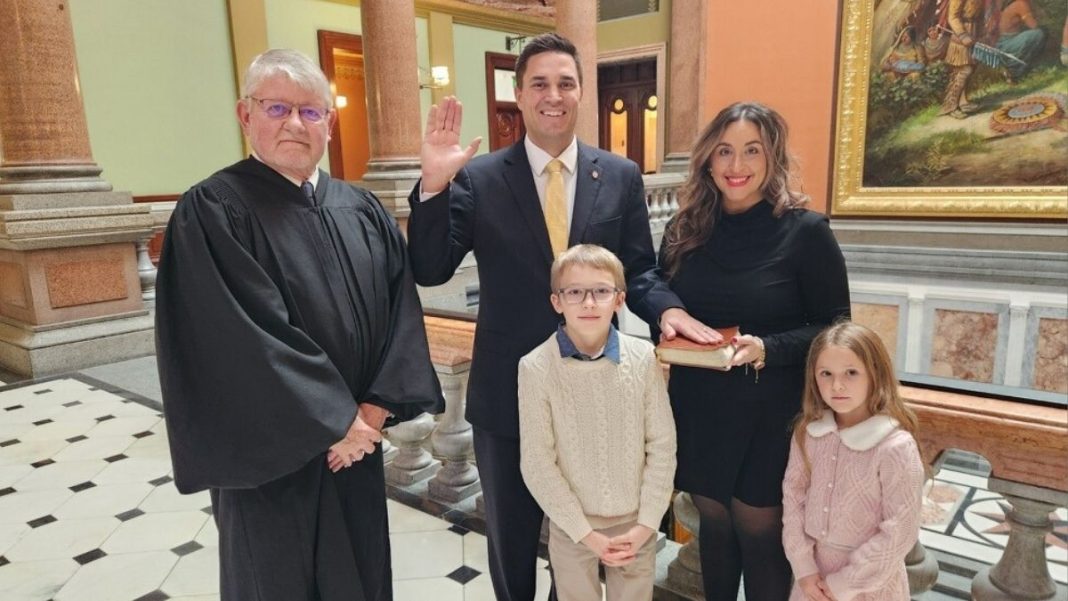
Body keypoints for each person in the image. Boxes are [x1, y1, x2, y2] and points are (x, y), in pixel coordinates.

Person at [406, 32, 715, 601]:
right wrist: (433, 184)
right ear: (519, 95)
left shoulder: (619, 175)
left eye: (566, 83)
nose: (554, 95)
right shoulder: (478, 177)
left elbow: (638, 272)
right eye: (540, 84)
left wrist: (669, 312)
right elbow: (429, 268)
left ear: (581, 94)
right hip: (508, 392)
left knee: (586, 543)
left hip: (598, 399)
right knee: (512, 541)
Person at [155, 48, 444, 601]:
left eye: (311, 112)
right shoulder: (214, 211)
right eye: (276, 108)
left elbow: (401, 313)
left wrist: (373, 411)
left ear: (329, 125)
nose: (295, 123)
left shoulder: (361, 208)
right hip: (271, 459)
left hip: (356, 447)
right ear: (245, 116)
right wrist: (336, 420)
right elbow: (237, 338)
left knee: (359, 577)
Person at [657, 101, 851, 600]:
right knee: (714, 528)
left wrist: (768, 347)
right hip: (698, 404)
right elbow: (659, 293)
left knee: (762, 532)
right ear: (707, 159)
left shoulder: (807, 232)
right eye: (724, 151)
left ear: (773, 158)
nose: (736, 166)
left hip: (772, 410)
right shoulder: (684, 230)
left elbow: (836, 328)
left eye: (751, 151)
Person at [518, 244, 676, 601]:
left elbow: (662, 446)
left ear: (619, 299)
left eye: (601, 291)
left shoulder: (643, 359)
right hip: (573, 526)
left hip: (636, 523)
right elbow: (538, 462)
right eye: (575, 292)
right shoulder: (536, 367)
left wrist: (646, 524)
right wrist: (585, 533)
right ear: (557, 301)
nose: (589, 303)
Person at [782, 321, 925, 601]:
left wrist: (844, 584)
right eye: (826, 374)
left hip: (871, 586)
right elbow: (793, 497)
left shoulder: (895, 447)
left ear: (875, 374)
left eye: (851, 373)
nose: (837, 385)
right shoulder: (808, 433)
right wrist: (803, 567)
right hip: (812, 583)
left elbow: (901, 528)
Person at [940, 0, 986, 118]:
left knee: (971, 68)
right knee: (963, 71)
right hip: (960, 36)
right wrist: (963, 35)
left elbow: (980, 16)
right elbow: (952, 17)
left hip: (974, 33)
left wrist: (981, 35)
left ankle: (963, 102)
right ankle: (950, 107)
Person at [996, 0, 1047, 82]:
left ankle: (1019, 71)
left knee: (1039, 33)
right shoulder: (1020, 3)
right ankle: (1013, 72)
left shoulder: (1017, 3)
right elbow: (1033, 25)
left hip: (1004, 42)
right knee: (1039, 34)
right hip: (1007, 44)